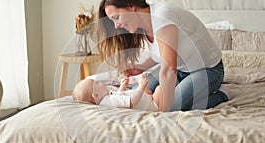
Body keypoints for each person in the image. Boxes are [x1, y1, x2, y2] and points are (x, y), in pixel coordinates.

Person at [96, 0, 231, 112]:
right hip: (180, 70)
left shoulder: (163, 15)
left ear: (131, 6)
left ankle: (222, 95)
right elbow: (161, 55)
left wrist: (163, 113)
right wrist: (141, 67)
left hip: (208, 70)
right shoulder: (143, 26)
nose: (116, 25)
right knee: (135, 94)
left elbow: (168, 69)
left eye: (116, 18)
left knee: (171, 107)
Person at [72, 75, 162, 111]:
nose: (100, 83)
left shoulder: (107, 99)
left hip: (146, 98)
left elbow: (119, 97)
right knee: (159, 89)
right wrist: (141, 87)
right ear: (95, 95)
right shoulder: (109, 101)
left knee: (148, 90)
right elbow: (131, 102)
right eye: (97, 83)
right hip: (152, 104)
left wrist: (123, 86)